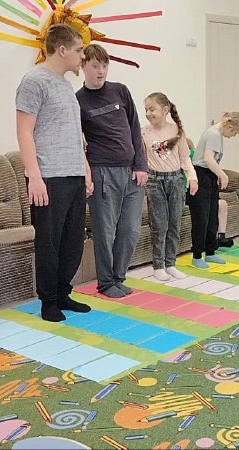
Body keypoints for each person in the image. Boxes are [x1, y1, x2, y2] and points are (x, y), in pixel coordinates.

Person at [16, 24, 93, 322]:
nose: (82, 56)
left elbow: (75, 133)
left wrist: (85, 169)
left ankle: (63, 293)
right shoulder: (34, 81)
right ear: (62, 50)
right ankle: (48, 301)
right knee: (49, 242)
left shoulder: (65, 85)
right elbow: (24, 132)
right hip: (48, 176)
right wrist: (34, 176)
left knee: (72, 240)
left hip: (73, 174)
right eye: (79, 50)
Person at [76, 43, 147, 297]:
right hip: (102, 173)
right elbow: (77, 141)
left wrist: (141, 164)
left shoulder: (120, 91)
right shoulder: (78, 100)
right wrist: (87, 174)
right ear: (83, 65)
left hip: (132, 173)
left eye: (105, 66)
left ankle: (119, 277)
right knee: (105, 231)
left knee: (131, 230)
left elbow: (135, 129)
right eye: (95, 66)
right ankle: (106, 283)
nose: (101, 71)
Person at [142, 93, 197, 281]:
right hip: (154, 181)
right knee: (159, 225)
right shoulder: (144, 132)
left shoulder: (176, 130)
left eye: (152, 109)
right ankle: (158, 266)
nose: (148, 113)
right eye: (146, 110)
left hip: (175, 180)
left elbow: (185, 158)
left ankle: (171, 263)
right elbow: (141, 157)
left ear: (165, 110)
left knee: (174, 224)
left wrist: (192, 178)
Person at [188, 112, 239, 268]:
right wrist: (223, 174)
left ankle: (210, 252)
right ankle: (197, 255)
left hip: (210, 178)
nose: (233, 136)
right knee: (201, 218)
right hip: (201, 176)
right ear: (230, 126)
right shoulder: (213, 134)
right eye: (234, 133)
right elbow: (208, 159)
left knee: (212, 216)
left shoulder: (217, 134)